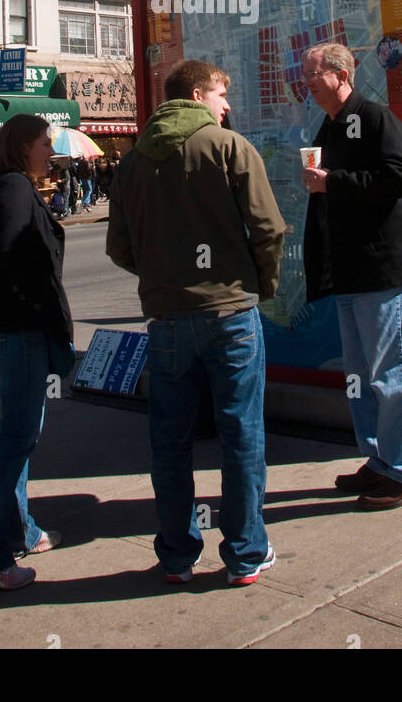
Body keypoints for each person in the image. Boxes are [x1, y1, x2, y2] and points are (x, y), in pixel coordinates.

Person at [106, 58, 285, 586]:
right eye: (221, 94)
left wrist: (164, 274)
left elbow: (119, 247)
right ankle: (246, 553)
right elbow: (269, 228)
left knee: (170, 441)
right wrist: (260, 286)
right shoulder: (229, 148)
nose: (227, 105)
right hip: (231, 313)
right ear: (199, 95)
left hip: (166, 319)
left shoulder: (134, 161)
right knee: (241, 433)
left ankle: (178, 555)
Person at [300, 43, 402, 509]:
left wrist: (332, 181)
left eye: (313, 73)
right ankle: (379, 461)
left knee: (390, 371)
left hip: (382, 269)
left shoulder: (376, 118)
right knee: (361, 374)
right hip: (351, 272)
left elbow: (401, 179)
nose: (307, 81)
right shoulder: (330, 126)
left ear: (340, 74)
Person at [0, 115, 74, 591]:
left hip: (21, 328)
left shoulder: (18, 187)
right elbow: (7, 259)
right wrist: (36, 309)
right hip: (19, 330)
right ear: (24, 145)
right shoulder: (12, 188)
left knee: (21, 437)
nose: (51, 151)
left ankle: (19, 530)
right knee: (15, 441)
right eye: (45, 143)